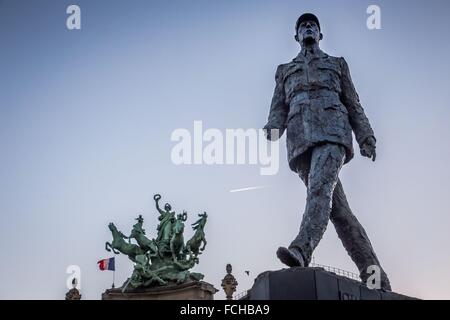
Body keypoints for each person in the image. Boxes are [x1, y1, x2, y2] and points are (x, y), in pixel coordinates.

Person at [264, 13, 391, 290]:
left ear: (320, 35)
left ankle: (302, 248)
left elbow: (353, 102)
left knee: (319, 191)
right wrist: (273, 127)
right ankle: (376, 277)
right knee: (340, 214)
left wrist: (366, 136)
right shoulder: (284, 70)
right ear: (296, 36)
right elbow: (278, 107)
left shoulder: (337, 64)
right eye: (303, 26)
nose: (308, 28)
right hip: (300, 141)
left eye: (313, 26)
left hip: (333, 132)